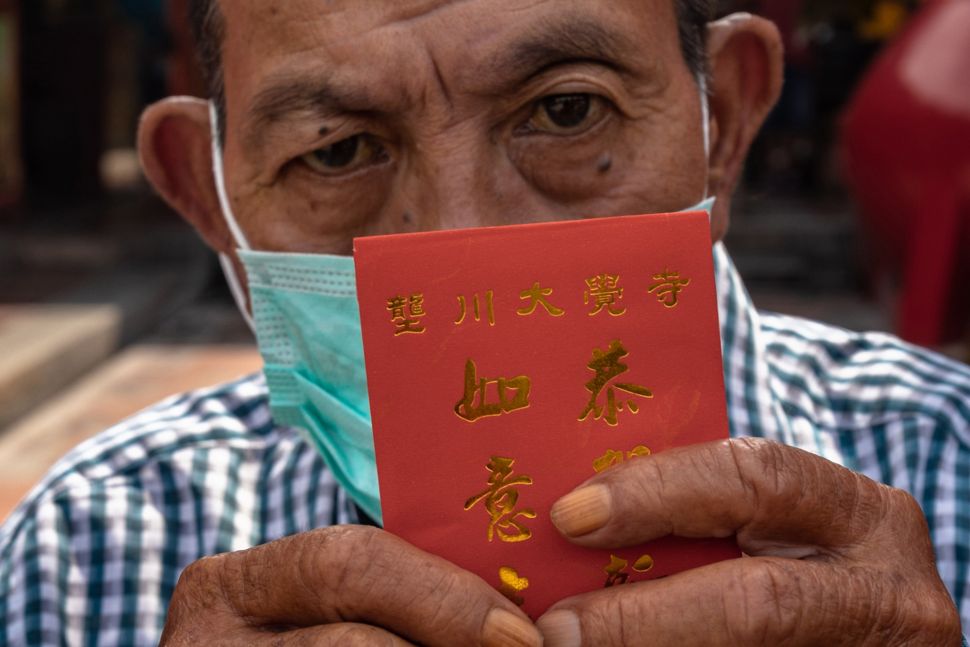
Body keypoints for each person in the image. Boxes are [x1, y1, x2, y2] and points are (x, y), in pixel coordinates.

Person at [2, 1, 968, 645]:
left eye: (568, 109)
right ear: (208, 199)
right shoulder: (95, 548)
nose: (465, 239)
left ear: (728, 122)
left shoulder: (946, 460)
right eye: (337, 152)